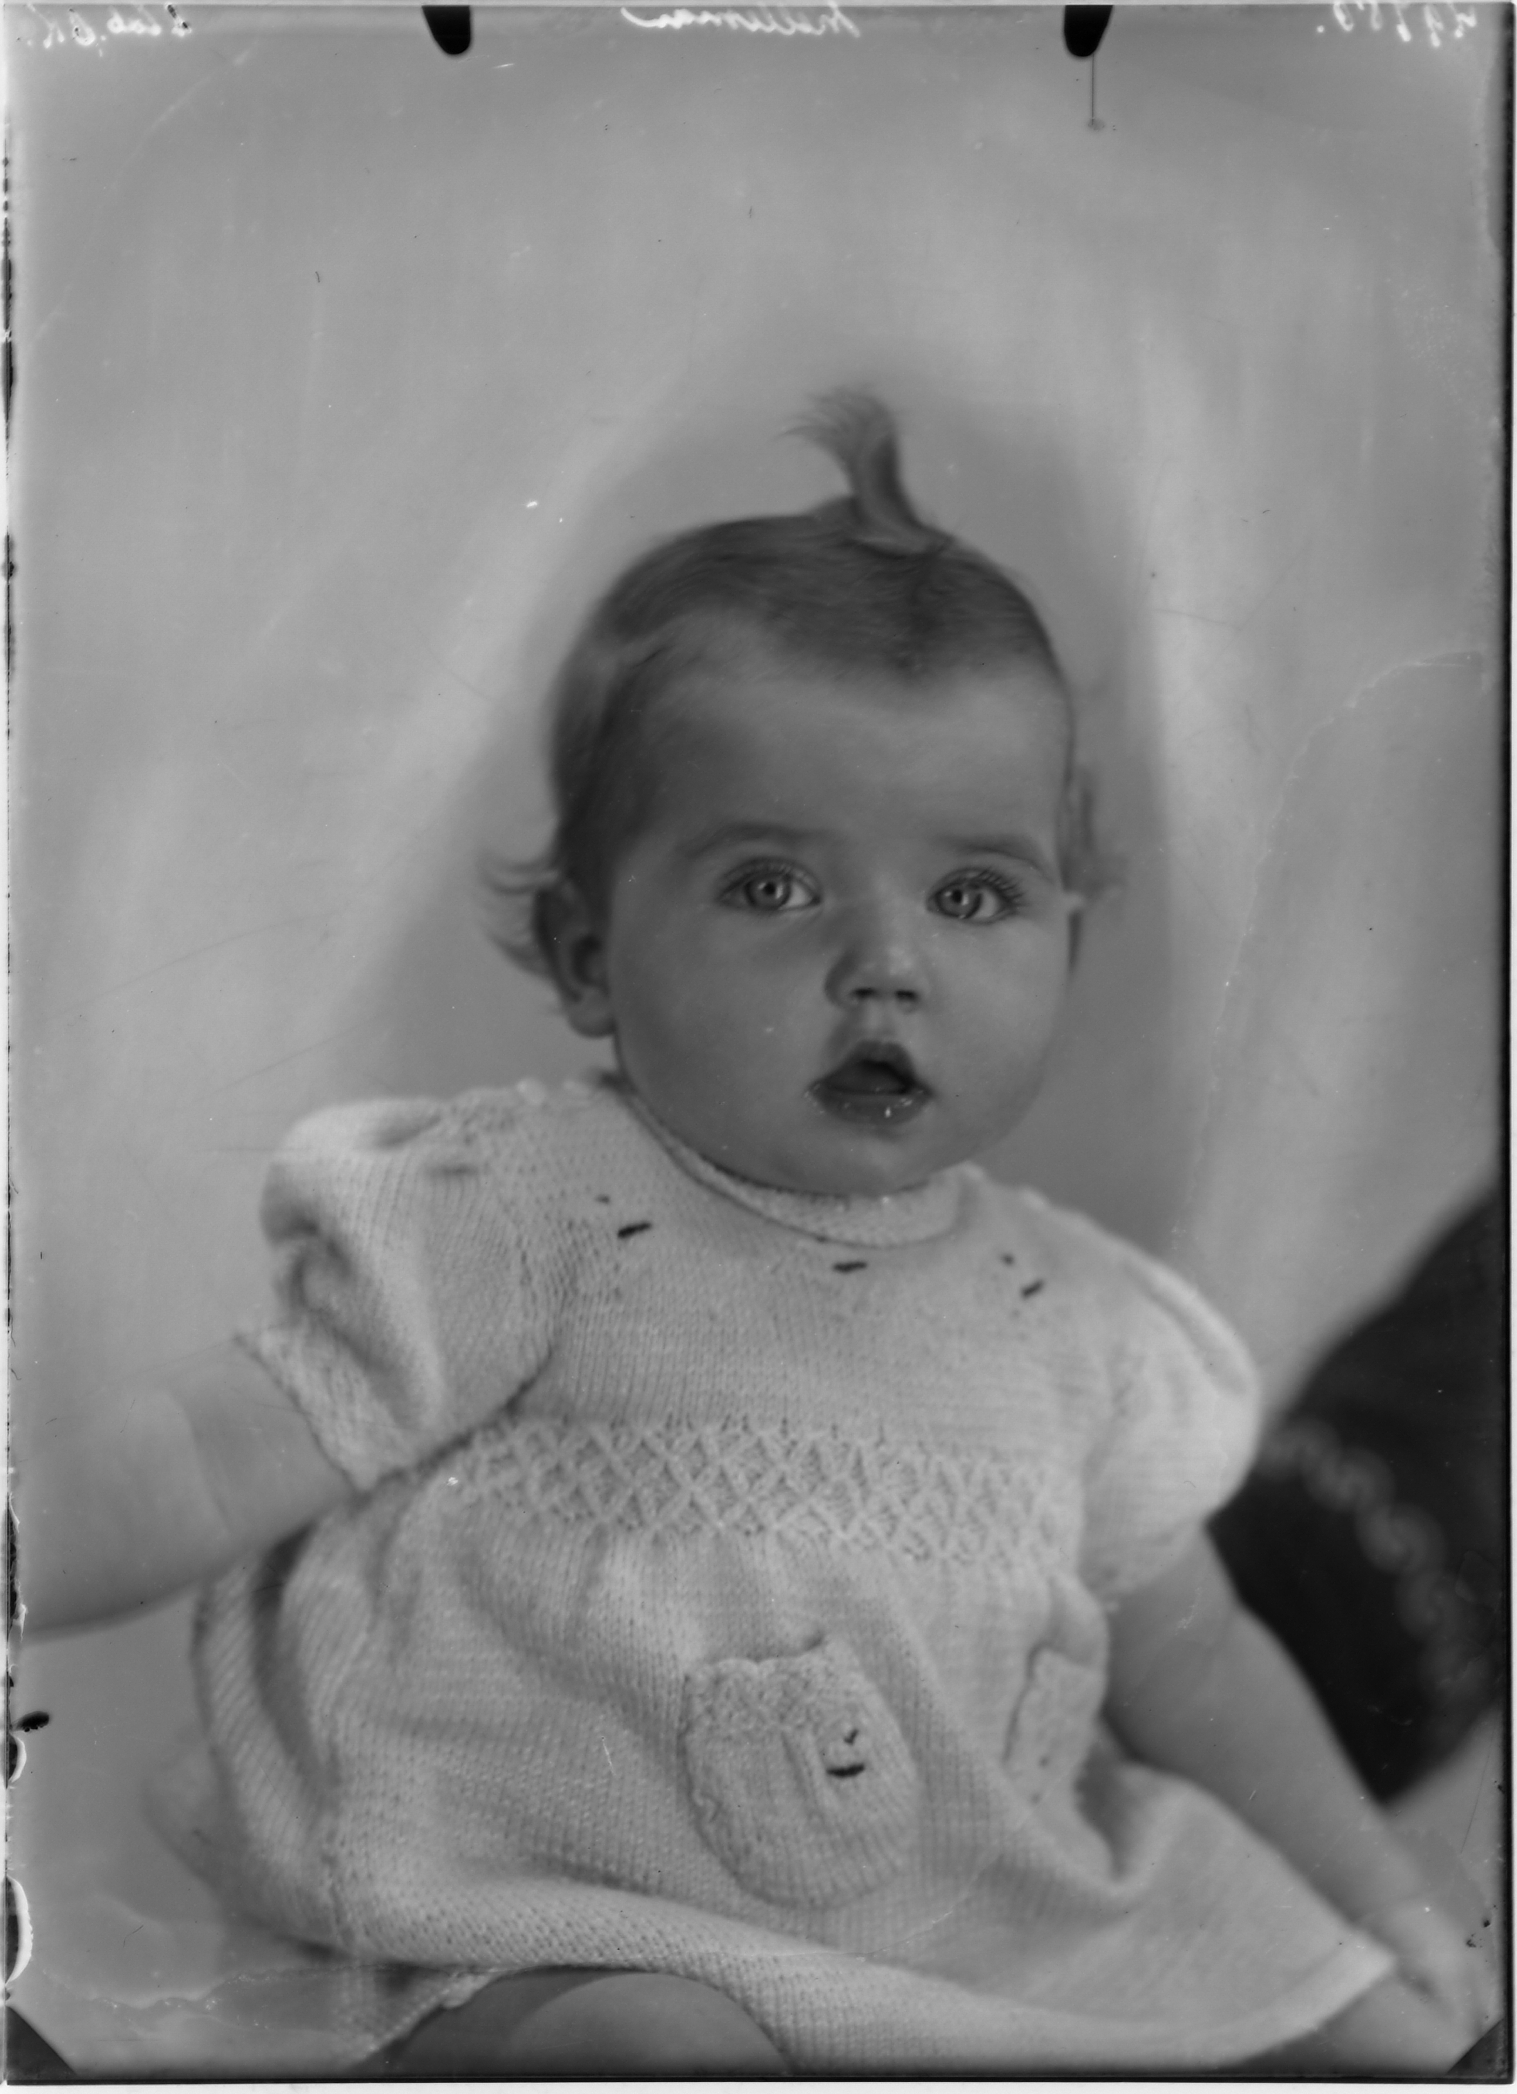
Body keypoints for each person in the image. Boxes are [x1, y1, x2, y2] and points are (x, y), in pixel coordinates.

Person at [22, 395, 1497, 2076]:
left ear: (1069, 936)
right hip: (565, 1921)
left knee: (1381, 2035)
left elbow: (1204, 1664)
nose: (885, 966)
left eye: (971, 894)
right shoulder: (535, 1206)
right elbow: (215, 1447)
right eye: (773, 888)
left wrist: (1381, 1899)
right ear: (587, 953)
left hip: (968, 1928)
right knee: (657, 2043)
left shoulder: (1066, 1315)